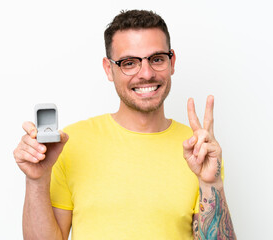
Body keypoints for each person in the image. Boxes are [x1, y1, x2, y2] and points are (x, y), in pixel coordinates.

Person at [13, 10, 236, 240]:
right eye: (129, 63)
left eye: (157, 59)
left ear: (172, 62)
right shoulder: (70, 143)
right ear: (109, 69)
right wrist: (36, 181)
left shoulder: (197, 149)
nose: (146, 73)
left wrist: (212, 183)